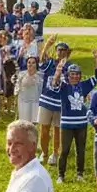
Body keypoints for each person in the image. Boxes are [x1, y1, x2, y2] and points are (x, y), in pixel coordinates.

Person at [49, 50, 97, 184]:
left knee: (81, 150)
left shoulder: (83, 85)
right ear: (68, 75)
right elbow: (54, 83)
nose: (74, 77)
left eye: (77, 74)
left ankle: (80, 174)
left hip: (81, 123)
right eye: (72, 74)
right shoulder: (64, 86)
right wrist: (58, 70)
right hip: (66, 123)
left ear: (80, 75)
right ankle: (61, 175)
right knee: (65, 150)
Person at [36, 36, 70, 165]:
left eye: (63, 50)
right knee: (44, 129)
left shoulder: (69, 67)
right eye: (59, 49)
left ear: (67, 52)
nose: (61, 52)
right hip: (46, 101)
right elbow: (40, 61)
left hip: (60, 104)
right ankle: (44, 152)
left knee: (57, 131)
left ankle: (55, 154)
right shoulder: (50, 63)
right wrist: (47, 45)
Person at [13, 55, 42, 125]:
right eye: (29, 62)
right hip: (23, 102)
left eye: (33, 62)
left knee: (33, 124)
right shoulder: (21, 74)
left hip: (35, 102)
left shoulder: (40, 75)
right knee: (24, 124)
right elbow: (17, 86)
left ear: (36, 64)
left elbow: (41, 90)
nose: (30, 64)